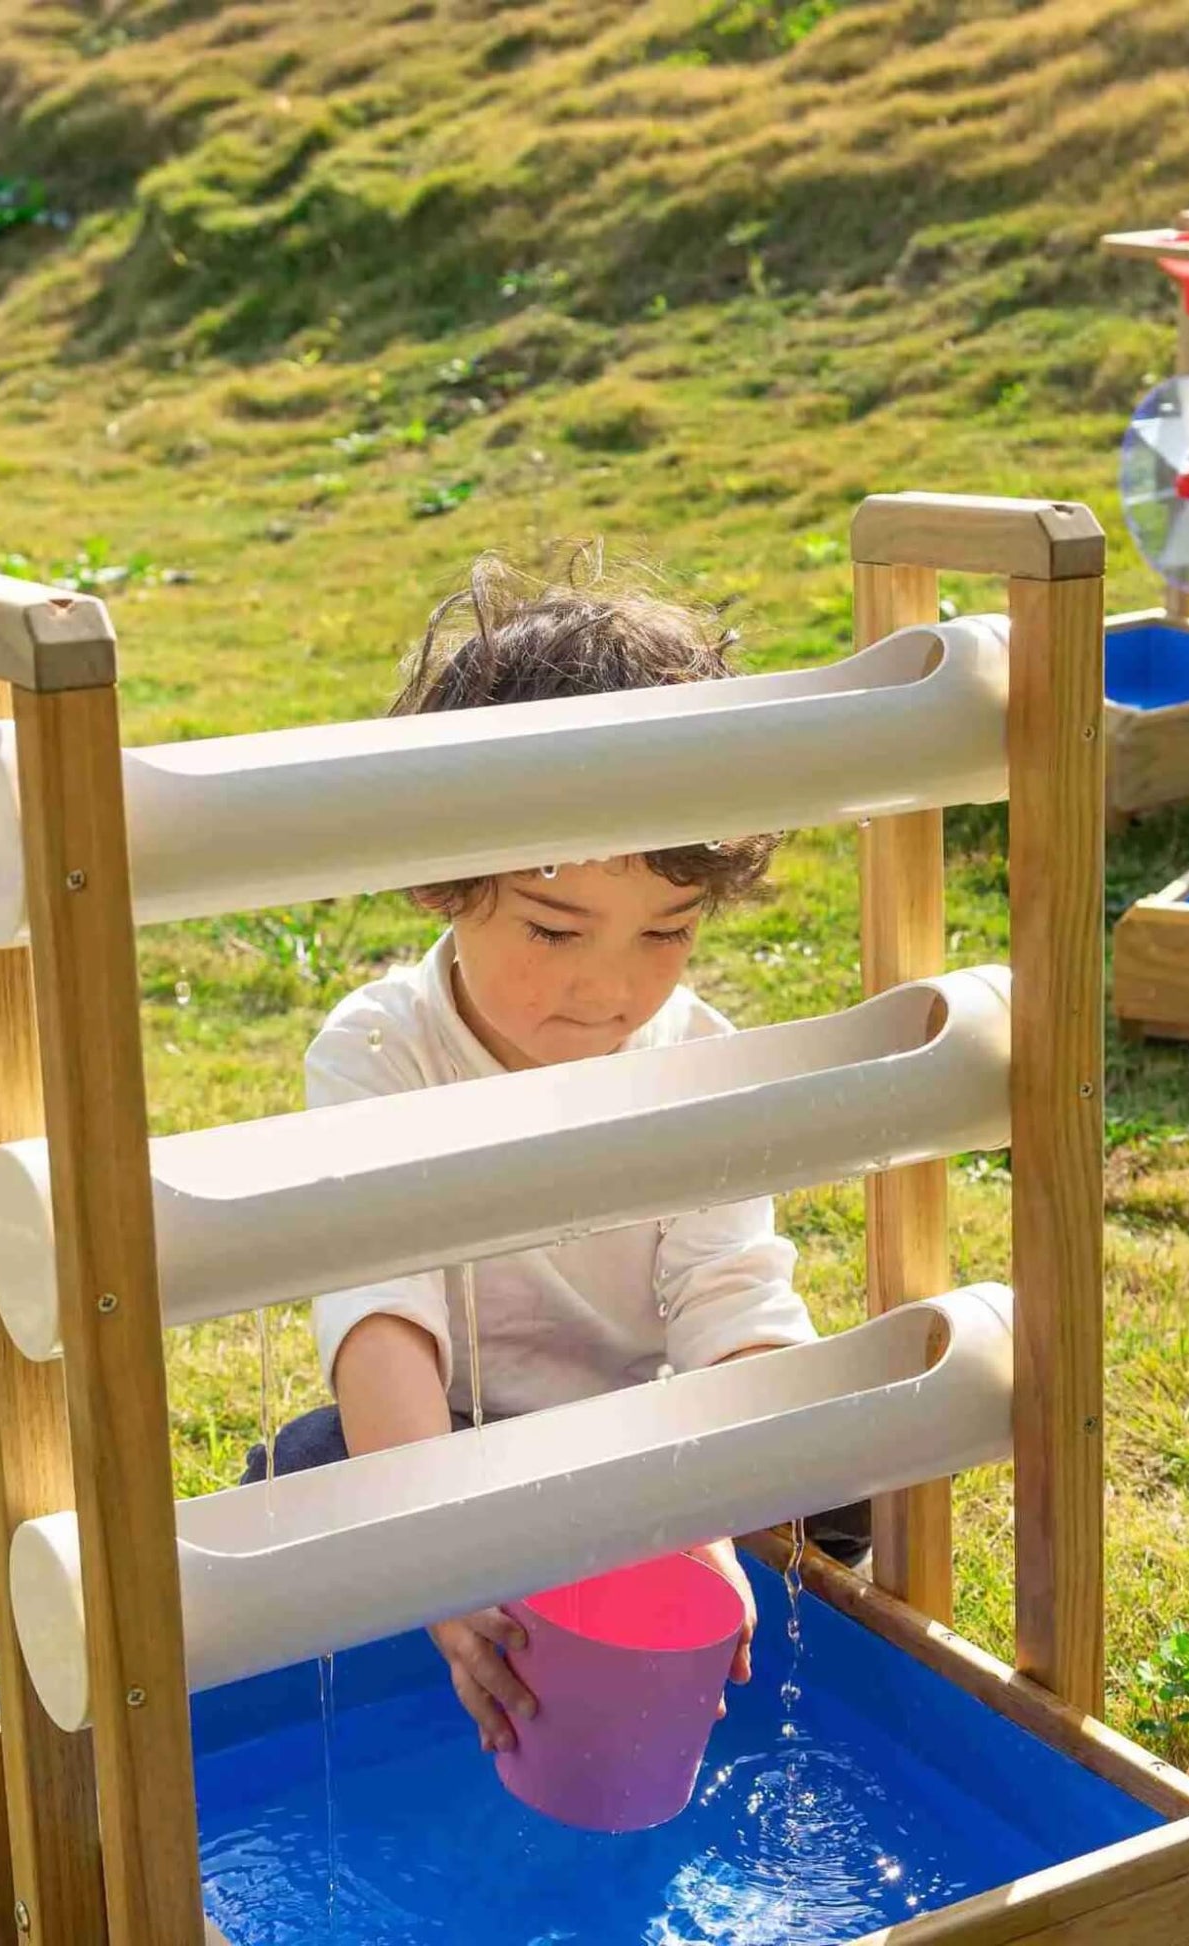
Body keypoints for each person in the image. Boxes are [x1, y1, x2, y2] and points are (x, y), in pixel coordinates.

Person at [244, 548, 872, 1757]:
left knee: (833, 1452)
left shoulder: (698, 1054)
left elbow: (731, 1301)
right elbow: (380, 1315)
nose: (607, 986)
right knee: (306, 1480)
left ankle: (759, 1627)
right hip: (461, 1432)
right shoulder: (379, 1049)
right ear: (450, 880)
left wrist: (697, 1514)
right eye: (551, 925)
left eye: (665, 933)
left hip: (650, 1436)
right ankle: (434, 1650)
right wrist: (441, 1547)